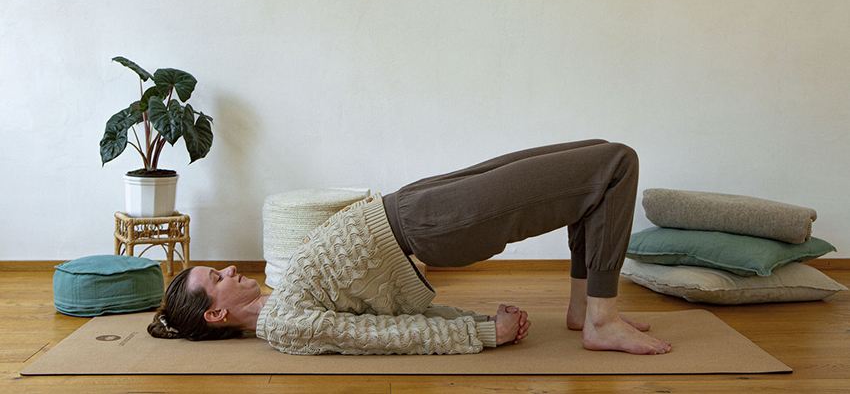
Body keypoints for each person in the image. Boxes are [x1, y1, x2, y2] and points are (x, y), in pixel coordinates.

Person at [148, 140, 672, 355]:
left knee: (598, 156)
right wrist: (482, 332)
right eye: (217, 278)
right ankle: (602, 319)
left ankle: (586, 310)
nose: (230, 269)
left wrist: (471, 318)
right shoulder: (284, 326)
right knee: (615, 166)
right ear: (216, 315)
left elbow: (381, 306)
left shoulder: (279, 304)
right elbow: (384, 334)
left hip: (409, 206)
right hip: (431, 226)